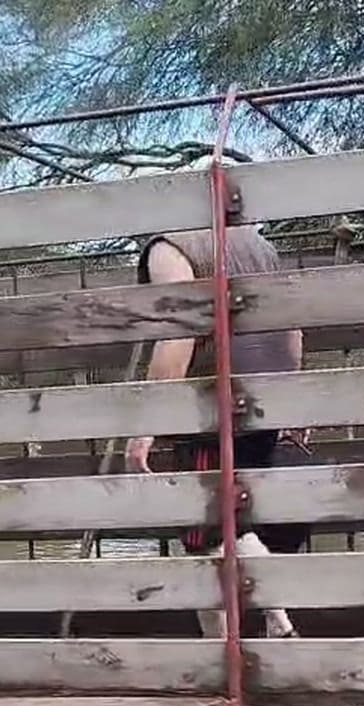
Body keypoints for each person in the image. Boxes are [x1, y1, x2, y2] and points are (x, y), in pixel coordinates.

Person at [125, 224, 309, 639]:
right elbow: (291, 323)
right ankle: (272, 630)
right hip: (263, 403)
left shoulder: (168, 247)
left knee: (203, 535)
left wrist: (147, 426)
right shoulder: (259, 244)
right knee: (233, 522)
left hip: (209, 409)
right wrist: (295, 396)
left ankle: (228, 651)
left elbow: (183, 327)